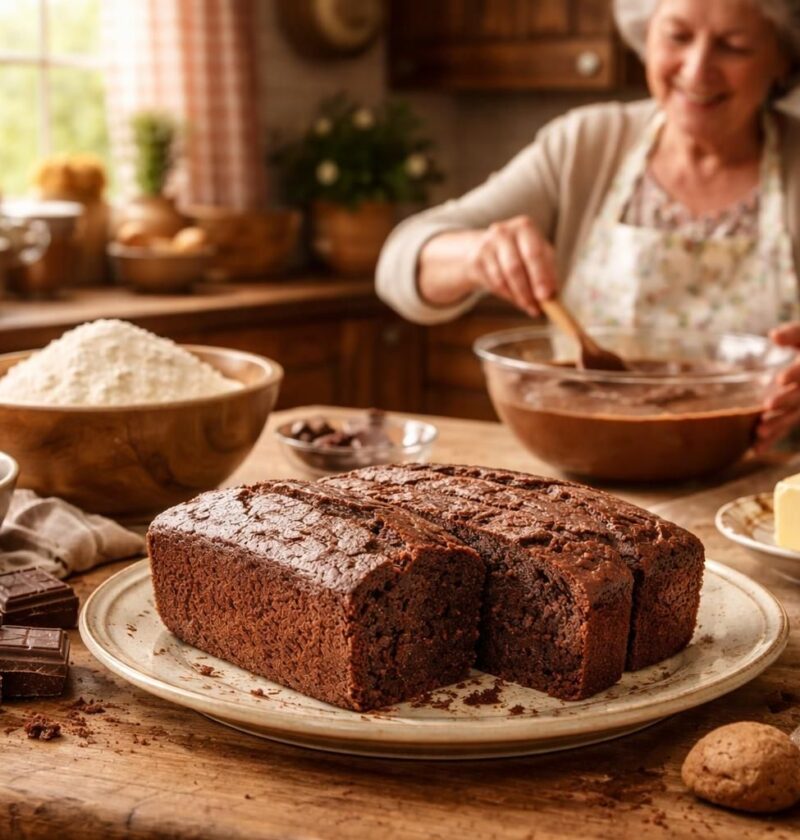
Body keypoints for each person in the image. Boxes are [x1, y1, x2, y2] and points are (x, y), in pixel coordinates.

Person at [376, 0, 800, 451]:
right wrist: (476, 255)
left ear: (782, 57)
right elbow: (399, 261)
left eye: (733, 47)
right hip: (583, 476)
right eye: (677, 37)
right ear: (645, 36)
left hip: (763, 498)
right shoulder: (586, 145)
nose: (697, 70)